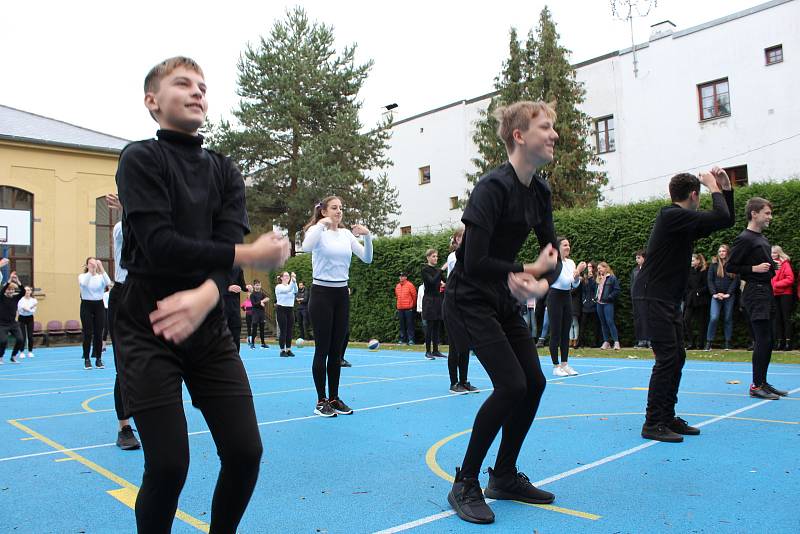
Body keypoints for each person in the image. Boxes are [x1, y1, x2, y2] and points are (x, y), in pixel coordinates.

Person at [114, 56, 291, 533]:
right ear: (153, 101)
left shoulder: (224, 171)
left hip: (208, 325)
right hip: (149, 325)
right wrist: (248, 252)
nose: (197, 92)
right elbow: (159, 244)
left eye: (203, 86)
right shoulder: (140, 159)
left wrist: (208, 295)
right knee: (169, 465)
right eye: (182, 83)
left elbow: (223, 256)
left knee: (245, 452)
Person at [443, 100, 561, 525]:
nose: (553, 134)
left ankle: (505, 475)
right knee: (511, 385)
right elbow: (473, 262)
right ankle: (465, 483)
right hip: (470, 297)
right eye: (545, 127)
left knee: (534, 382)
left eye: (553, 127)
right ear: (518, 136)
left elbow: (553, 255)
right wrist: (526, 270)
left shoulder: (540, 191)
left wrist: (542, 282)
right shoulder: (492, 188)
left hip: (502, 297)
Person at [634, 168, 734, 443]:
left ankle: (666, 416)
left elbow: (726, 220)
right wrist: (713, 185)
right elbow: (721, 216)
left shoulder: (681, 221)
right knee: (667, 358)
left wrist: (725, 189)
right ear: (693, 195)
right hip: (652, 295)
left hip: (665, 297)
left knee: (677, 356)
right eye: (701, 194)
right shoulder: (671, 215)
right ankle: (653, 422)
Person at [302, 196, 373, 417]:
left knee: (336, 351)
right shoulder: (317, 231)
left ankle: (334, 397)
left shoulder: (345, 235)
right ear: (323, 211)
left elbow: (367, 258)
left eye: (341, 208)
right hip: (321, 293)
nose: (339, 211)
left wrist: (368, 236)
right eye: (334, 208)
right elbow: (305, 247)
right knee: (322, 349)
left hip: (341, 294)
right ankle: (321, 401)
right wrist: (321, 223)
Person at [727, 197, 788, 400]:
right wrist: (753, 269)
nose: (770, 217)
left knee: (768, 339)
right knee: (762, 339)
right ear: (754, 214)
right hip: (755, 293)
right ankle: (756, 385)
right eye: (767, 213)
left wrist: (772, 266)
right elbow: (730, 267)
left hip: (766, 291)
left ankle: (762, 382)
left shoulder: (761, 238)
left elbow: (761, 264)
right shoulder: (745, 238)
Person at [105, 193, 142, 451]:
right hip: (124, 296)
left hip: (151, 296)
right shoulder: (121, 227)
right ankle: (124, 427)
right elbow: (135, 234)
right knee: (125, 365)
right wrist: (130, 206)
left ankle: (152, 416)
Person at [443, 227, 477, 393]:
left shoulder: (471, 255)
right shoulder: (453, 256)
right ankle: (453, 383)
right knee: (455, 346)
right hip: (452, 305)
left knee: (465, 345)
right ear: (456, 240)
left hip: (465, 304)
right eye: (462, 236)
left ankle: (464, 381)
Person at [548, 237, 586, 376]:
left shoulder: (570, 262)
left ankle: (565, 363)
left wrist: (576, 276)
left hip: (566, 297)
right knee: (556, 332)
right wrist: (577, 272)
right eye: (565, 245)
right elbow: (563, 281)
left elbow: (574, 284)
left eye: (569, 245)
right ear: (558, 247)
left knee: (565, 332)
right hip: (555, 297)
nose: (568, 247)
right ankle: (556, 365)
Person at [79, 257, 111, 369]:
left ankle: (98, 359)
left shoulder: (100, 277)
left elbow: (108, 283)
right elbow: (84, 284)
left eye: (94, 263)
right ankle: (87, 359)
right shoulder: (82, 276)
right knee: (87, 333)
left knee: (99, 333)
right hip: (86, 305)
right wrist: (91, 272)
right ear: (87, 265)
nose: (93, 265)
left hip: (99, 305)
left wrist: (101, 268)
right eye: (90, 263)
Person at [704, 244, 739, 350]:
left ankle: (728, 342)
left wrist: (728, 293)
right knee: (714, 318)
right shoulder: (714, 265)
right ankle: (709, 342)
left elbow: (736, 280)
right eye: (720, 251)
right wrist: (714, 293)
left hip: (729, 296)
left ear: (727, 252)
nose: (721, 253)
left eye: (723, 251)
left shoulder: (733, 264)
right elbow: (710, 280)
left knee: (728, 318)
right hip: (716, 296)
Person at [422, 248, 446, 359]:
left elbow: (445, 281)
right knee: (430, 326)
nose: (436, 258)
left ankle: (436, 350)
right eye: (433, 256)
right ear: (428, 257)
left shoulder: (437, 270)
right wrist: (441, 270)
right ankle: (428, 351)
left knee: (437, 326)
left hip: (437, 300)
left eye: (436, 256)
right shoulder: (425, 269)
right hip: (429, 300)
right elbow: (431, 282)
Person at [683, 253, 710, 350]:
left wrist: (699, 292)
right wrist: (688, 295)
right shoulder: (688, 271)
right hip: (690, 299)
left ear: (698, 261)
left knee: (702, 322)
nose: (691, 262)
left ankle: (700, 343)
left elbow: (707, 285)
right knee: (686, 319)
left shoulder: (704, 271)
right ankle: (691, 342)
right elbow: (686, 285)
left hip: (701, 299)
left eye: (693, 260)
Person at [770, 245, 794, 351]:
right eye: (771, 253)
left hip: (785, 294)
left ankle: (788, 343)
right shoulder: (770, 264)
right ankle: (779, 342)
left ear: (779, 253)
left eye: (775, 253)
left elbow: (790, 278)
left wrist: (776, 285)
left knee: (786, 318)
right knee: (777, 319)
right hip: (774, 294)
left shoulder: (785, 264)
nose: (773, 255)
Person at [223, 267, 251, 353]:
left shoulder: (238, 268)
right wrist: (228, 288)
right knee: (222, 335)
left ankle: (235, 359)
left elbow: (242, 285)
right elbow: (212, 286)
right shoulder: (217, 266)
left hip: (234, 306)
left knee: (236, 334)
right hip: (222, 306)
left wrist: (247, 287)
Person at [0, 272, 25, 364]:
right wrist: (9, 280)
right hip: (2, 324)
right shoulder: (1, 297)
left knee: (20, 340)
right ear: (6, 290)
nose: (10, 291)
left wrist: (18, 281)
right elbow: (2, 290)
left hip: (13, 324)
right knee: (3, 341)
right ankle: (0, 357)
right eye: (8, 290)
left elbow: (23, 292)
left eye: (12, 290)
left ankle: (13, 356)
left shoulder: (15, 298)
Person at [595, 262, 621, 350]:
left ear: (606, 268)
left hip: (608, 303)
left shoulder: (612, 278)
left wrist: (609, 297)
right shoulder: (598, 278)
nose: (599, 270)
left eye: (600, 268)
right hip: (599, 303)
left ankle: (616, 342)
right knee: (603, 323)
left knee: (610, 321)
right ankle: (606, 342)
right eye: (598, 269)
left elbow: (617, 290)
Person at [275, 271, 298, 357]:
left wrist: (294, 281)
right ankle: (282, 350)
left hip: (290, 309)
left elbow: (295, 290)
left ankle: (288, 349)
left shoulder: (291, 285)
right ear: (281, 278)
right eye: (285, 275)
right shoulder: (279, 287)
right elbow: (287, 290)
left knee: (289, 331)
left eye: (288, 275)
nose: (287, 277)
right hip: (281, 309)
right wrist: (293, 280)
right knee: (283, 331)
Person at [630, 250, 649, 348]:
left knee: (647, 318)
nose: (637, 260)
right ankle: (641, 340)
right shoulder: (635, 270)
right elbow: (632, 284)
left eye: (639, 257)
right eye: (636, 258)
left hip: (646, 298)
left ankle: (649, 340)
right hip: (636, 298)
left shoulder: (649, 269)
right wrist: (633, 295)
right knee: (639, 319)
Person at [579, 262, 600, 349]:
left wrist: (594, 300)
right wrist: (583, 300)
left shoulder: (596, 278)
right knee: (583, 324)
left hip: (593, 305)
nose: (589, 268)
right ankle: (580, 342)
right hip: (585, 305)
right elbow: (583, 291)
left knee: (594, 325)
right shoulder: (585, 278)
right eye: (588, 267)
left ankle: (594, 343)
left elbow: (597, 290)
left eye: (590, 266)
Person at [395, 272, 417, 345]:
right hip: (400, 308)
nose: (401, 277)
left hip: (409, 308)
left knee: (410, 324)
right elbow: (397, 296)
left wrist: (412, 305)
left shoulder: (410, 285)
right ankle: (402, 340)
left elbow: (414, 296)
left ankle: (411, 340)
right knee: (402, 325)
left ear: (406, 277)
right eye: (400, 276)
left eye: (402, 276)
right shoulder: (397, 286)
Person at [16, 285, 38, 359]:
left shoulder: (34, 300)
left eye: (28, 290)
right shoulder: (20, 300)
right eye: (25, 290)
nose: (27, 292)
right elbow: (21, 310)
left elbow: (33, 311)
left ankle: (30, 351)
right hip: (21, 318)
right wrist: (29, 308)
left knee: (30, 336)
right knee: (22, 336)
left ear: (31, 291)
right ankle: (21, 352)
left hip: (30, 318)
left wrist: (28, 308)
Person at [249, 279, 270, 348]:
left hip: (262, 313)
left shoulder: (262, 294)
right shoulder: (252, 295)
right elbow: (254, 304)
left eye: (259, 285)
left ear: (260, 286)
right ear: (254, 286)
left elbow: (268, 298)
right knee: (254, 329)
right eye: (256, 285)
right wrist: (260, 302)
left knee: (262, 329)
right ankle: (252, 343)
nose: (258, 286)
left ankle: (263, 343)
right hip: (255, 313)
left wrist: (262, 301)